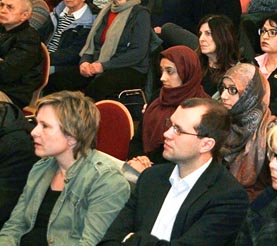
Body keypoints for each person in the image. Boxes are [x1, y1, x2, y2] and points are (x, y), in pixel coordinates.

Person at [100, 98, 249, 245]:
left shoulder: (228, 197)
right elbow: (110, 240)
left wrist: (132, 239)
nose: (167, 133)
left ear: (206, 145)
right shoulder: (151, 178)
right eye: (170, 125)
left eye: (178, 130)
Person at [0, 91, 130, 245]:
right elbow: (15, 226)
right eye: (36, 123)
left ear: (72, 136)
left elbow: (90, 243)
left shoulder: (106, 181)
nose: (34, 132)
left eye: (45, 126)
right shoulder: (41, 167)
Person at [46, 0, 151, 101]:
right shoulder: (106, 11)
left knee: (98, 87)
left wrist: (103, 66)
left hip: (128, 67)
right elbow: (91, 44)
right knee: (56, 80)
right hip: (98, 62)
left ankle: (80, 120)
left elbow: (138, 52)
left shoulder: (140, 14)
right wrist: (85, 62)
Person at [129, 46, 209, 172]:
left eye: (170, 71)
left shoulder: (201, 107)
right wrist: (139, 158)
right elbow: (138, 138)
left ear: (186, 71)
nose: (162, 78)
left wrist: (148, 168)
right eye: (162, 71)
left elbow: (190, 156)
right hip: (141, 166)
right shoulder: (158, 96)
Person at [219, 63, 277, 200]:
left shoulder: (270, 134)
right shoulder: (220, 120)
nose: (223, 96)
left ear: (251, 94)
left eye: (233, 90)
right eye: (223, 88)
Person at [0, 0, 43, 108]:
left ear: (24, 15)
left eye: (9, 7)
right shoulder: (3, 28)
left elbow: (5, 74)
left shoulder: (29, 39)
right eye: (1, 5)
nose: (3, 10)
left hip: (11, 95)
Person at [47, 0, 96, 73]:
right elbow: (40, 35)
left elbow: (74, 53)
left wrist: (45, 58)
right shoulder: (57, 12)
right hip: (43, 56)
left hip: (62, 66)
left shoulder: (88, 22)